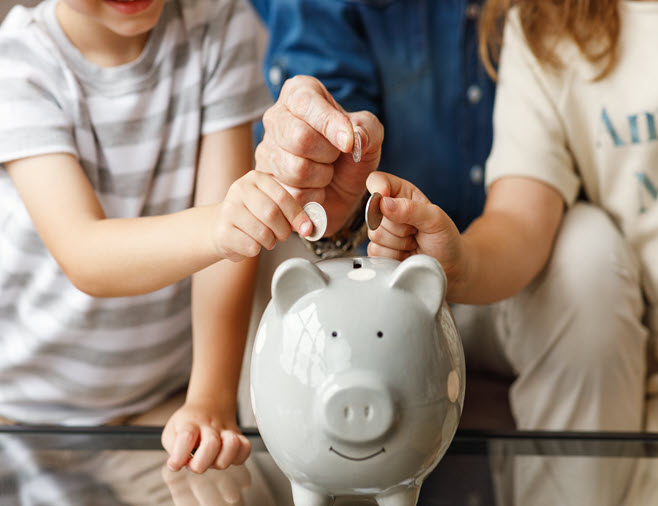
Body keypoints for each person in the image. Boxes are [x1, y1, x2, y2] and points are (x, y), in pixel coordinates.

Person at [0, 0, 315, 475]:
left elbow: (231, 246)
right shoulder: (20, 60)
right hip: (20, 414)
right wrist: (219, 224)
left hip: (159, 406)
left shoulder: (218, 24)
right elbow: (85, 253)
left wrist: (210, 397)